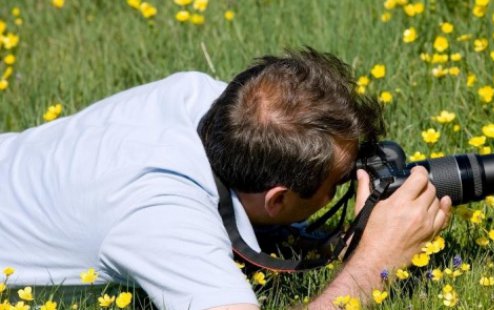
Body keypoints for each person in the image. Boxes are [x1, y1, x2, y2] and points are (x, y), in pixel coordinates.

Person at [0, 48, 452, 309]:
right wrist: (375, 262)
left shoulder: (202, 100)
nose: (343, 189)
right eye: (335, 185)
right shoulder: (163, 214)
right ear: (276, 201)